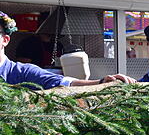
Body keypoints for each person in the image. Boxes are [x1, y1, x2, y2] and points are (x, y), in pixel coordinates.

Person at [0, 11, 135, 89]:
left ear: (5, 40)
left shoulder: (22, 73)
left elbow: (65, 83)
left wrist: (102, 82)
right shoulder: (28, 43)